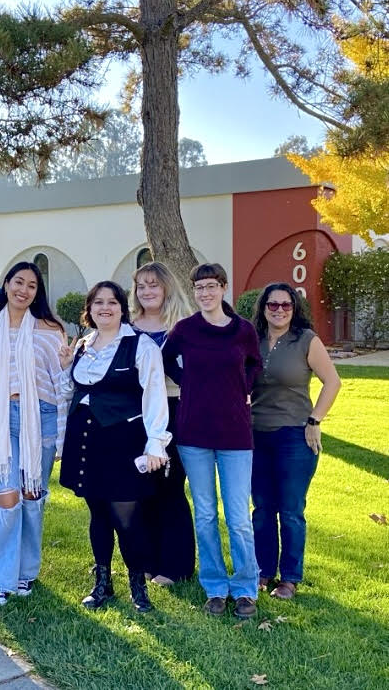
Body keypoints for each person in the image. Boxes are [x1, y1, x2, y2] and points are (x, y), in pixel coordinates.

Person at [59, 281, 171, 613]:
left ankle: (138, 587)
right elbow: (72, 392)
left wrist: (156, 444)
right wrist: (66, 367)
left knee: (127, 518)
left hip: (123, 441)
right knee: (98, 514)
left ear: (122, 308)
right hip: (86, 440)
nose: (104, 308)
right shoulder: (82, 344)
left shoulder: (141, 346)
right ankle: (103, 584)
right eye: (98, 302)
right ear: (89, 309)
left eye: (112, 302)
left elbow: (154, 394)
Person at [162, 263, 262, 619]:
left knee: (237, 517)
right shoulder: (186, 330)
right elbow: (164, 359)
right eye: (199, 288)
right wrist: (186, 382)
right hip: (194, 434)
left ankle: (246, 588)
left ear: (223, 288)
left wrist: (243, 389)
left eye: (211, 286)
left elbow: (254, 364)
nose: (205, 293)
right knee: (205, 514)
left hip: (235, 434)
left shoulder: (243, 330)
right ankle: (215, 587)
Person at [0, 261, 67, 607]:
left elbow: (61, 387)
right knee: (6, 497)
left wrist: (63, 437)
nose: (23, 290)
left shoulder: (49, 329)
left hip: (41, 418)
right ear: (6, 284)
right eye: (18, 282)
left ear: (37, 293)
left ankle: (26, 572)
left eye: (31, 286)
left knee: (31, 498)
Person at [251, 283, 341, 599]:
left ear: (294, 308)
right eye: (272, 305)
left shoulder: (305, 340)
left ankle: (289, 578)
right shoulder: (254, 340)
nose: (278, 310)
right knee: (262, 509)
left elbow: (333, 382)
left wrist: (315, 420)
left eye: (285, 305)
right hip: (255, 435)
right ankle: (263, 572)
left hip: (294, 436)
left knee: (290, 510)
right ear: (263, 308)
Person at [130, 261, 195, 585]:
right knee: (142, 488)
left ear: (166, 287)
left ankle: (175, 566)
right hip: (136, 412)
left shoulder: (184, 326)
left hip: (174, 409)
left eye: (153, 284)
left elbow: (195, 374)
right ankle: (145, 561)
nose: (147, 291)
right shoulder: (128, 327)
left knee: (170, 488)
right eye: (141, 285)